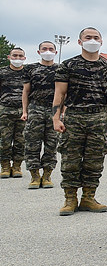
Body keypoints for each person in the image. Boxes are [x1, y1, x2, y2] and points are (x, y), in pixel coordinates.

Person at [52, 27, 107, 215]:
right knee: (70, 159)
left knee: (95, 160)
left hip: (99, 117)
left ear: (101, 41)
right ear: (80, 42)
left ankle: (89, 197)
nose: (92, 40)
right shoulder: (68, 66)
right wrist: (55, 118)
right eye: (88, 37)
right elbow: (60, 93)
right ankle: (70, 198)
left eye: (96, 37)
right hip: (74, 117)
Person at [22, 41, 60, 189]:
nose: (48, 51)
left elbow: (64, 92)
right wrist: (25, 111)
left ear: (56, 52)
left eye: (51, 49)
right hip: (35, 109)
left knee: (52, 144)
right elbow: (25, 92)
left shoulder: (60, 69)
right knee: (32, 144)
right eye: (44, 49)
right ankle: (34, 176)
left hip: (53, 110)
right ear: (39, 52)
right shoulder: (31, 69)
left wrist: (61, 112)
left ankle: (47, 175)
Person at [0, 47, 28, 178]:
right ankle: (5, 166)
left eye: (20, 56)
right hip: (5, 110)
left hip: (23, 111)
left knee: (20, 141)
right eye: (15, 55)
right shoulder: (2, 73)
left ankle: (17, 166)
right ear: (9, 57)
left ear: (24, 58)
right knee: (4, 140)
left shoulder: (28, 73)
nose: (17, 58)